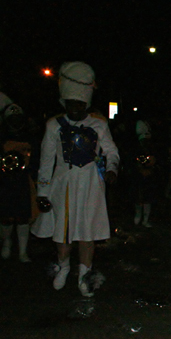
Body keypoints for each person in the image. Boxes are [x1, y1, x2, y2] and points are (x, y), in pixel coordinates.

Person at [33, 62, 119, 297]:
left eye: (79, 105)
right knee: (63, 228)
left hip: (91, 183)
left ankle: (85, 275)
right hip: (63, 183)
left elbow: (111, 151)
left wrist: (112, 169)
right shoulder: (53, 125)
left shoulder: (98, 124)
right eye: (71, 104)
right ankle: (63, 266)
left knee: (87, 231)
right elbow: (46, 161)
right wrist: (42, 192)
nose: (74, 109)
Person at [1, 104, 39, 263]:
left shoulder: (30, 137)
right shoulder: (1, 137)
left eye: (18, 119)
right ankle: (6, 243)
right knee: (5, 216)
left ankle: (23, 251)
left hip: (24, 181)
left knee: (24, 216)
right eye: (12, 119)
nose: (16, 122)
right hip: (4, 181)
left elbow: (36, 159)